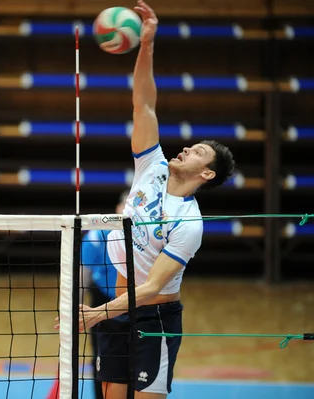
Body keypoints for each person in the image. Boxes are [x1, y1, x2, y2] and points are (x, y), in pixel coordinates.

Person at [76, 2, 235, 398]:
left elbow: (151, 288)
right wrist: (145, 44)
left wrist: (95, 314)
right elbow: (143, 102)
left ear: (207, 174)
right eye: (190, 146)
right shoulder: (153, 165)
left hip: (154, 318)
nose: (186, 150)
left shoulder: (189, 222)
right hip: (115, 308)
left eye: (198, 152)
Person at [80, 192, 127, 399]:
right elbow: (83, 272)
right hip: (102, 300)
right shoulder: (98, 234)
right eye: (125, 206)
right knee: (101, 356)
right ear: (117, 208)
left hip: (136, 300)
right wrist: (74, 309)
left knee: (135, 354)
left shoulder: (148, 235)